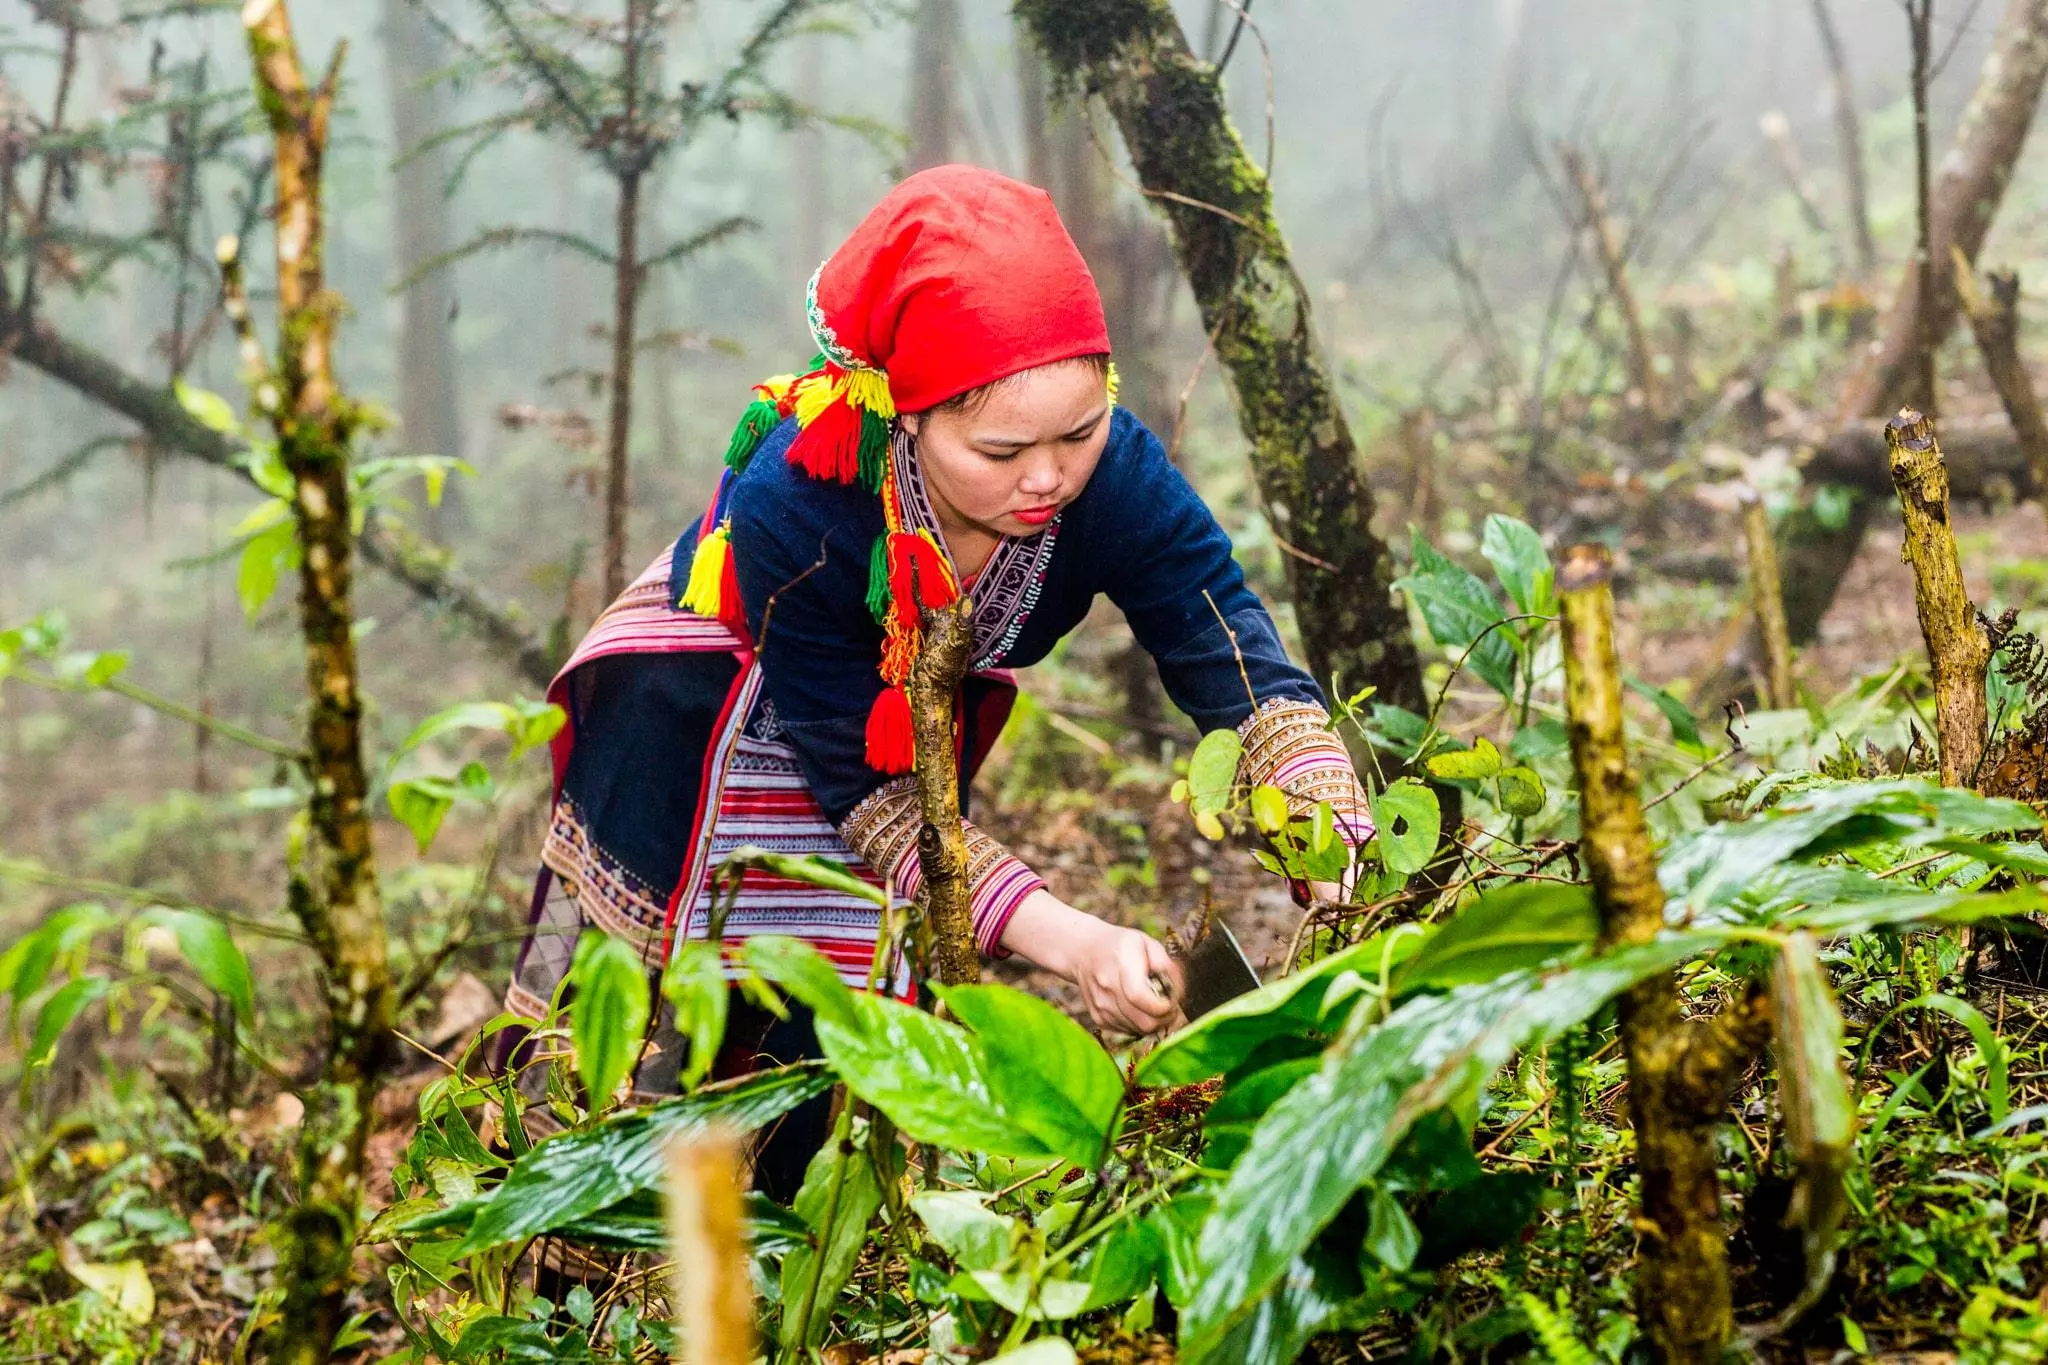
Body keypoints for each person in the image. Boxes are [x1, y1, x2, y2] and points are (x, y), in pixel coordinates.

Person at [497, 164, 1371, 1200]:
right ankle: (593, 1283)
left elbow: (1214, 625)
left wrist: (1315, 801)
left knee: (835, 1037)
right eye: (1000, 450)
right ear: (907, 417)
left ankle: (812, 1258)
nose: (1046, 478)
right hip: (697, 730)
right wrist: (1072, 941)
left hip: (881, 735)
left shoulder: (1115, 477)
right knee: (658, 1034)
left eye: (1077, 433)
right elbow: (875, 797)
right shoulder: (800, 499)